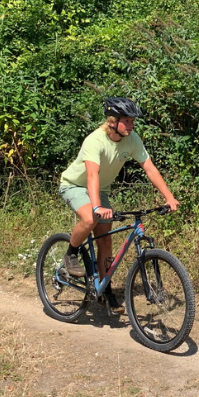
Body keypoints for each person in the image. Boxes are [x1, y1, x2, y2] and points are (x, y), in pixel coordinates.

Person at [58, 97, 179, 277]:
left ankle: (104, 291)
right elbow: (92, 175)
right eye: (127, 121)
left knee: (106, 241)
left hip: (101, 189)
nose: (131, 125)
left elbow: (149, 168)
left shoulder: (132, 139)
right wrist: (97, 206)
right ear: (112, 122)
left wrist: (169, 197)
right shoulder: (95, 140)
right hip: (75, 185)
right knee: (91, 219)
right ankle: (71, 253)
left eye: (132, 121)